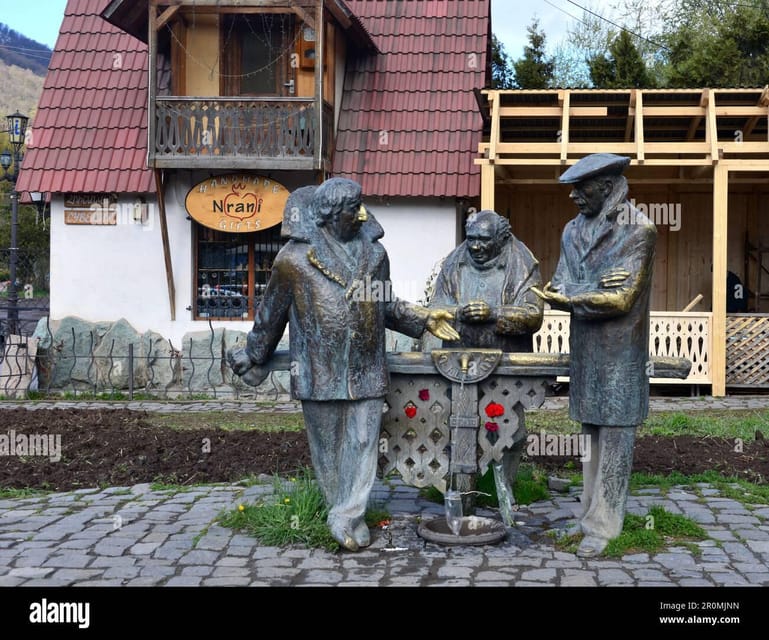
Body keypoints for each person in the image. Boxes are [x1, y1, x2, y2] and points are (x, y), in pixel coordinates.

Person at [229, 178, 459, 551]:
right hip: (318, 371)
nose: (363, 214)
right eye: (355, 208)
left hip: (366, 367)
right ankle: (339, 509)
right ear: (332, 214)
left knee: (364, 441)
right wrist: (255, 354)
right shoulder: (293, 259)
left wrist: (425, 318)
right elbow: (271, 314)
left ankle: (347, 516)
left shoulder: (375, 255)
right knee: (329, 448)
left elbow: (385, 305)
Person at [533, 153, 656, 558]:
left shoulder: (639, 229)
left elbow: (621, 299)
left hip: (621, 352)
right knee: (589, 433)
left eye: (580, 188)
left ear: (606, 186)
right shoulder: (571, 230)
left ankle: (605, 526)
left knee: (616, 435)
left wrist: (576, 294)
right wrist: (591, 289)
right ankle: (588, 513)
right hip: (586, 347)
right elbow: (558, 284)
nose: (573, 196)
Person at [428, 209, 543, 508]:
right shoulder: (454, 262)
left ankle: (503, 486)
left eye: (483, 240)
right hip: (459, 360)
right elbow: (436, 306)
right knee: (456, 423)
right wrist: (458, 312)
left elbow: (533, 314)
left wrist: (494, 314)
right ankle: (458, 488)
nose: (476, 246)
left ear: (501, 239)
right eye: (471, 239)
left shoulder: (522, 263)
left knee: (510, 429)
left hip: (507, 360)